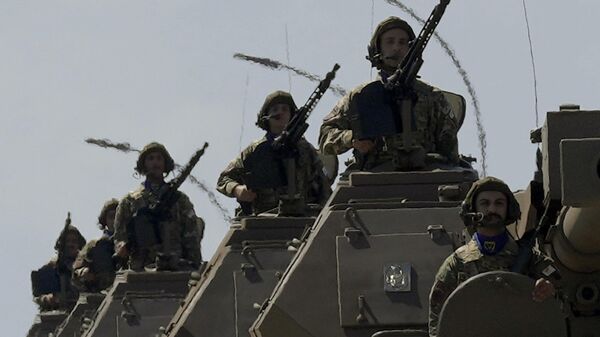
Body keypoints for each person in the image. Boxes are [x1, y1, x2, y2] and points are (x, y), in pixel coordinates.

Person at [319, 16, 459, 172]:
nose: (396, 48)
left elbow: (450, 152)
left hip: (425, 176)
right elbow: (326, 134)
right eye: (390, 42)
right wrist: (352, 139)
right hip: (374, 178)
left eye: (402, 42)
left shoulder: (431, 96)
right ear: (377, 49)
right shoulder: (361, 96)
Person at [428, 177, 558, 337]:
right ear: (473, 210)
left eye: (499, 203)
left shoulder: (531, 259)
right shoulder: (457, 263)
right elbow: (438, 315)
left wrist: (549, 291)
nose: (492, 209)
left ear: (509, 209)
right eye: (485, 203)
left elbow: (564, 297)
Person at [217, 90, 331, 215]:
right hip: (265, 220)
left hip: (304, 219)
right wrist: (237, 190)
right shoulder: (256, 150)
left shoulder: (305, 149)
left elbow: (324, 187)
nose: (280, 112)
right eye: (275, 109)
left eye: (285, 109)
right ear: (266, 117)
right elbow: (224, 179)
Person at [113, 142, 203, 271]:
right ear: (143, 164)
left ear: (165, 164)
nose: (155, 162)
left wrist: (194, 265)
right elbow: (120, 235)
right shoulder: (129, 201)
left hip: (176, 266)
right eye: (150, 158)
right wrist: (122, 247)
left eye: (159, 158)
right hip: (141, 269)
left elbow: (191, 234)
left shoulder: (179, 199)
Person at [31, 222, 86, 311]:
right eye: (67, 241)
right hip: (56, 313)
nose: (70, 245)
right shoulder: (50, 268)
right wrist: (46, 298)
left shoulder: (85, 265)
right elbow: (38, 295)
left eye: (74, 241)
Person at [73, 198, 119, 292]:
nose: (114, 221)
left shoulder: (131, 240)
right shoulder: (94, 245)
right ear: (104, 221)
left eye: (118, 217)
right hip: (104, 290)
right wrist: (83, 272)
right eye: (111, 217)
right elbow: (76, 273)